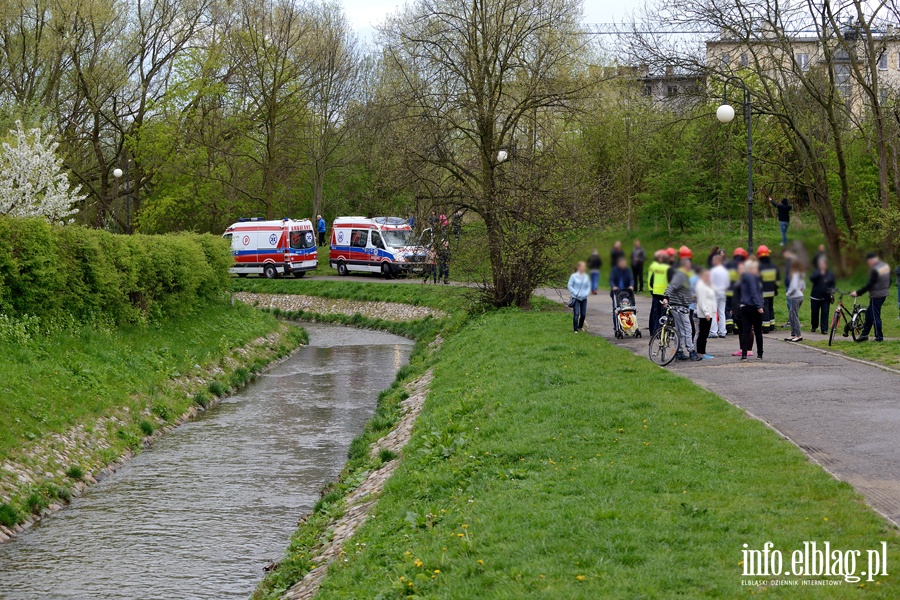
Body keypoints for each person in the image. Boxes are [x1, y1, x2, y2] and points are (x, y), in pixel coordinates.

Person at [663, 253, 700, 361]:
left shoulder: (683, 276)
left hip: (680, 305)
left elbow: (682, 291)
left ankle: (679, 351)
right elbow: (671, 286)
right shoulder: (681, 275)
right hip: (679, 307)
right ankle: (691, 351)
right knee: (687, 328)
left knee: (678, 330)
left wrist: (692, 298)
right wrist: (666, 297)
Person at [851, 252, 892, 342]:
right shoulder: (884, 266)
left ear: (872, 260)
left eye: (868, 262)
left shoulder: (875, 269)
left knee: (875, 316)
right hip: (883, 294)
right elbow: (890, 280)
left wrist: (858, 292)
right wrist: (884, 288)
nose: (868, 264)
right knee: (869, 315)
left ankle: (879, 337)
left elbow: (869, 284)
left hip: (876, 296)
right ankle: (864, 335)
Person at [739, 259, 765, 360]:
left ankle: (744, 354)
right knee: (758, 331)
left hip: (744, 306)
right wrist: (759, 306)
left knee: (745, 331)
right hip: (753, 307)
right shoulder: (752, 278)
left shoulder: (743, 278)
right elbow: (754, 292)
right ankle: (760, 353)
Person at [694, 267, 717, 359]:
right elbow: (702, 301)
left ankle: (703, 351)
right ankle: (701, 352)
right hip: (705, 314)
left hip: (710, 312)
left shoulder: (708, 285)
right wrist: (706, 312)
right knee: (703, 333)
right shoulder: (701, 285)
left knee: (705, 333)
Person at [724, 247, 748, 334]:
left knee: (727, 308)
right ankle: (737, 327)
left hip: (728, 291)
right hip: (739, 293)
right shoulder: (744, 266)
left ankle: (729, 324)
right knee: (738, 309)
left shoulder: (728, 265)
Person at [809, 257, 835, 334]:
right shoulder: (816, 272)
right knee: (814, 312)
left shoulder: (830, 273)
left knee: (825, 313)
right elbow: (812, 278)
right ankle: (814, 326)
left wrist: (832, 290)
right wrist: (820, 274)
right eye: (821, 264)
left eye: (824, 264)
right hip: (815, 296)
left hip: (826, 297)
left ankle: (824, 329)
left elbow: (832, 283)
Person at [757, 245, 779, 332]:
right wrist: (775, 289)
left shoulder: (759, 266)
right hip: (772, 291)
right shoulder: (773, 265)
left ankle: (766, 327)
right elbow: (777, 280)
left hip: (763, 292)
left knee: (765, 308)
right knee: (770, 308)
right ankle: (772, 325)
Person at [647, 250, 669, 335]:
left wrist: (652, 289)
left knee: (655, 312)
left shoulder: (656, 267)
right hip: (664, 293)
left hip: (656, 292)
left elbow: (651, 280)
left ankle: (654, 330)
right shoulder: (667, 268)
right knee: (663, 313)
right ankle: (660, 331)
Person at [609, 255, 634, 327]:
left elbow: (631, 279)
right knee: (616, 309)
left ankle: (628, 325)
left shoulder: (627, 270)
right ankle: (616, 327)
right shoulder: (614, 270)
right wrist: (613, 286)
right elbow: (611, 280)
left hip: (626, 292)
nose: (623, 264)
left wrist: (631, 285)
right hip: (617, 293)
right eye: (622, 263)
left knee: (627, 309)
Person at [785, 261, 806, 342]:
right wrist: (800, 291)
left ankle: (798, 335)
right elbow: (803, 286)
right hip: (800, 296)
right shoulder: (800, 275)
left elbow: (793, 287)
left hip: (795, 297)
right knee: (792, 315)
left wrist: (788, 294)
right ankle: (793, 334)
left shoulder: (795, 275)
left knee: (794, 316)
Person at [710, 254, 730, 338]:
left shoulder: (713, 271)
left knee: (713, 313)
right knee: (722, 312)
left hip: (715, 293)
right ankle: (722, 331)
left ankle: (713, 331)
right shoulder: (725, 271)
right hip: (723, 293)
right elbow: (728, 283)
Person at [567, 261, 591, 333]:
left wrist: (586, 293)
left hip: (584, 298)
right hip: (576, 297)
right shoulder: (573, 276)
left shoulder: (586, 276)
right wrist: (575, 292)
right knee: (576, 313)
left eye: (584, 267)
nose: (583, 268)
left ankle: (580, 326)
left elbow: (588, 286)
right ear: (578, 267)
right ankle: (575, 329)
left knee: (583, 314)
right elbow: (569, 285)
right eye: (582, 266)